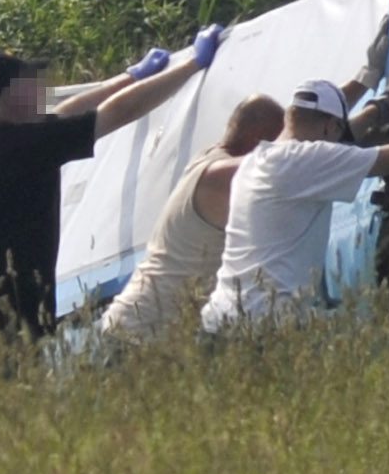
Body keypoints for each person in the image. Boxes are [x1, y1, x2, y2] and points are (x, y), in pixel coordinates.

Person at [0, 34, 214, 339]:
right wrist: (192, 65)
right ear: (11, 93)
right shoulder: (17, 147)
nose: (41, 90)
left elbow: (64, 114)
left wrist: (130, 78)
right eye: (31, 84)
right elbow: (119, 113)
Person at [207, 77, 389, 328]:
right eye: (337, 133)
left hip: (220, 319)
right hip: (261, 326)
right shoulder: (305, 160)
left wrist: (379, 109)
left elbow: (336, 149)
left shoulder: (256, 161)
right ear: (328, 128)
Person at [96, 95, 284, 346]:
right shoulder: (221, 176)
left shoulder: (207, 157)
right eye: (277, 144)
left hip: (138, 327)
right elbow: (287, 165)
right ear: (258, 142)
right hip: (141, 335)